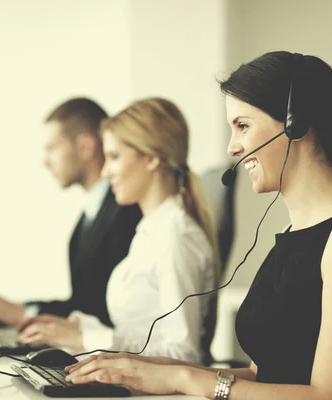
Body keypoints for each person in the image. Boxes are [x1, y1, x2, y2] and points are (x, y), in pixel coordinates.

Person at [63, 52, 332, 399]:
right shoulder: (294, 237)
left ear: (295, 125)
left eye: (242, 126)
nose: (233, 148)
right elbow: (263, 376)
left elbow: (330, 396)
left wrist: (186, 380)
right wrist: (147, 369)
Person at [18, 98, 221, 364]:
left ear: (150, 158)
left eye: (114, 157)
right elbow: (140, 334)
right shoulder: (151, 230)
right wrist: (78, 330)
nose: (105, 171)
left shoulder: (175, 237)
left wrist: (86, 340)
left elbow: (184, 354)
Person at [0, 98, 142, 328]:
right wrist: (18, 308)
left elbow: (103, 315)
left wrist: (24, 314)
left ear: (85, 147)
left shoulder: (126, 214)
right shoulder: (90, 217)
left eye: (52, 148)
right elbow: (82, 305)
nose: (45, 161)